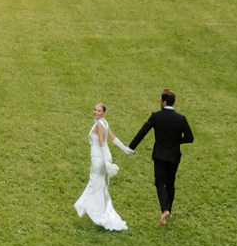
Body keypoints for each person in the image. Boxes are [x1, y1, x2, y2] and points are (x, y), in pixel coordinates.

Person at [128, 88, 194, 226]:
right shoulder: (180, 119)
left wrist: (131, 147)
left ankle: (164, 209)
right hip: (174, 155)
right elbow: (190, 138)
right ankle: (169, 209)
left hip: (159, 155)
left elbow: (143, 131)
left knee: (159, 183)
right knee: (170, 183)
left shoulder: (156, 116)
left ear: (164, 102)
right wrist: (176, 141)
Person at [74, 102, 133, 232]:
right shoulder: (104, 123)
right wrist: (125, 149)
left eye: (99, 111)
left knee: (94, 183)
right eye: (95, 110)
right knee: (99, 185)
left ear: (103, 113)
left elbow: (102, 143)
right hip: (102, 158)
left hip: (98, 159)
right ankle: (97, 209)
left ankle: (86, 207)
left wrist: (106, 160)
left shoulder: (100, 125)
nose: (95, 112)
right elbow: (113, 138)